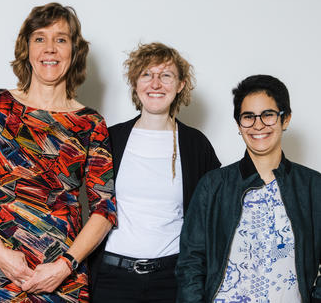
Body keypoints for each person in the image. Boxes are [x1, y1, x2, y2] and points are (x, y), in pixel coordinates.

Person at [0, 2, 117, 302]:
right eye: (40, 38)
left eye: (61, 39)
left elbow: (105, 209)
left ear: (75, 50)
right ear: (26, 48)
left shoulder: (90, 123)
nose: (50, 48)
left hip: (59, 281)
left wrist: (64, 265)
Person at [89, 42, 220, 302]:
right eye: (147, 74)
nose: (155, 83)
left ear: (180, 85)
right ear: (135, 83)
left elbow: (212, 215)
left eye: (166, 75)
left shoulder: (196, 145)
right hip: (112, 279)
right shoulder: (110, 138)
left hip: (170, 280)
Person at [176, 75, 321, 302]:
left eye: (268, 115)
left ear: (286, 119)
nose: (258, 124)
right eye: (248, 117)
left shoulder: (313, 186)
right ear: (239, 125)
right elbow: (190, 264)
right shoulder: (213, 186)